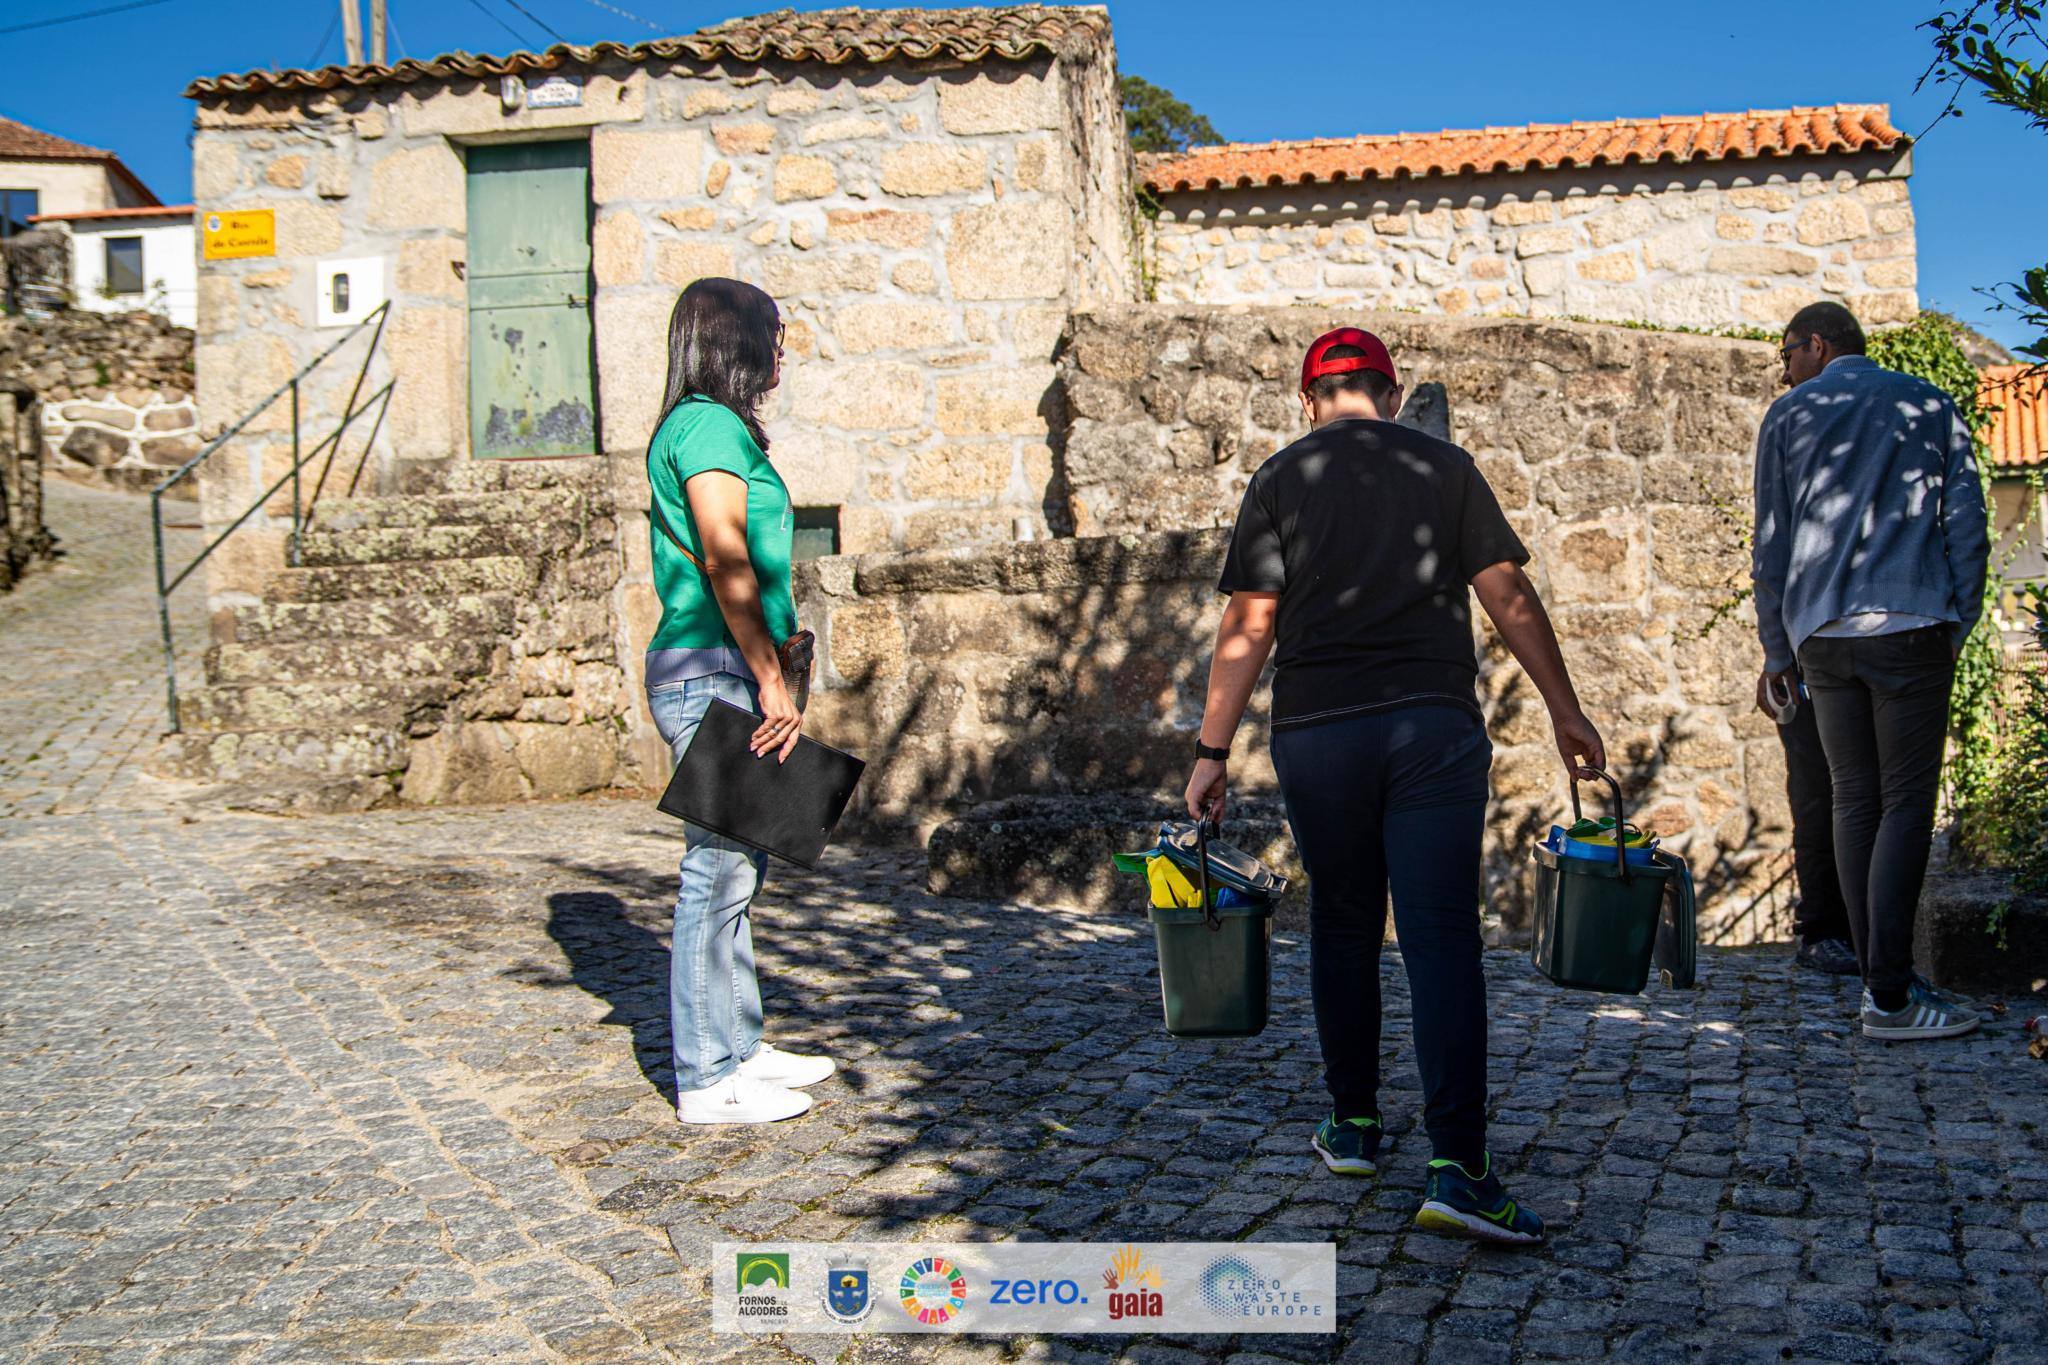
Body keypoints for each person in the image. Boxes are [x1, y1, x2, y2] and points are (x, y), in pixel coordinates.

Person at [1184, 327, 1606, 1246]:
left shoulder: (1278, 479)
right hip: (1430, 729)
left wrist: (1212, 751)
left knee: (1341, 921)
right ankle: (1458, 1167)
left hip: (1318, 734)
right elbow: (1508, 595)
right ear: (1390, 388)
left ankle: (1354, 1126)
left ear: (1308, 400)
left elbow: (1249, 623)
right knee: (1439, 936)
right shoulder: (1444, 467)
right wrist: (1566, 710)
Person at [1752, 301, 1990, 1041]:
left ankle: (1878, 980)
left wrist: (1776, 650)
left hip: (1821, 633)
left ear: (1818, 344)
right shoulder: (1928, 403)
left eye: (1787, 353)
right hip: (1911, 624)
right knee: (1906, 805)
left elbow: (1772, 543)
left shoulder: (1787, 418)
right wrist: (1960, 617)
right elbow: (1968, 523)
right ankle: (1888, 993)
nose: (1784, 368)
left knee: (1854, 801)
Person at [644, 277, 835, 1123]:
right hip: (714, 667)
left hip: (730, 664)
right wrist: (766, 678)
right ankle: (706, 1076)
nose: (783, 348)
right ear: (735, 340)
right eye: (775, 333)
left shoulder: (714, 427)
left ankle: (740, 1047)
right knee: (714, 874)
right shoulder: (708, 426)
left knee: (739, 868)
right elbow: (725, 559)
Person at [1766, 684, 1858, 976]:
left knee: (1865, 801)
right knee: (1816, 803)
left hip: (1862, 671)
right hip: (1804, 682)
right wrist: (1776, 661)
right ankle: (1821, 933)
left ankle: (1860, 929)